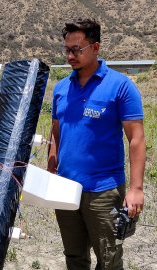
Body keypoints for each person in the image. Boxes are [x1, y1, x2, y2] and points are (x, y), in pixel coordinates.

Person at [47, 18, 146, 270]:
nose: (70, 55)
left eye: (76, 49)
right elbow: (56, 131)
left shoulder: (120, 86)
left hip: (103, 190)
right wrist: (51, 167)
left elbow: (136, 139)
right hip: (66, 190)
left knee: (109, 259)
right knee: (74, 257)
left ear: (96, 47)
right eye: (67, 49)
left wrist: (136, 189)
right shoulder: (60, 89)